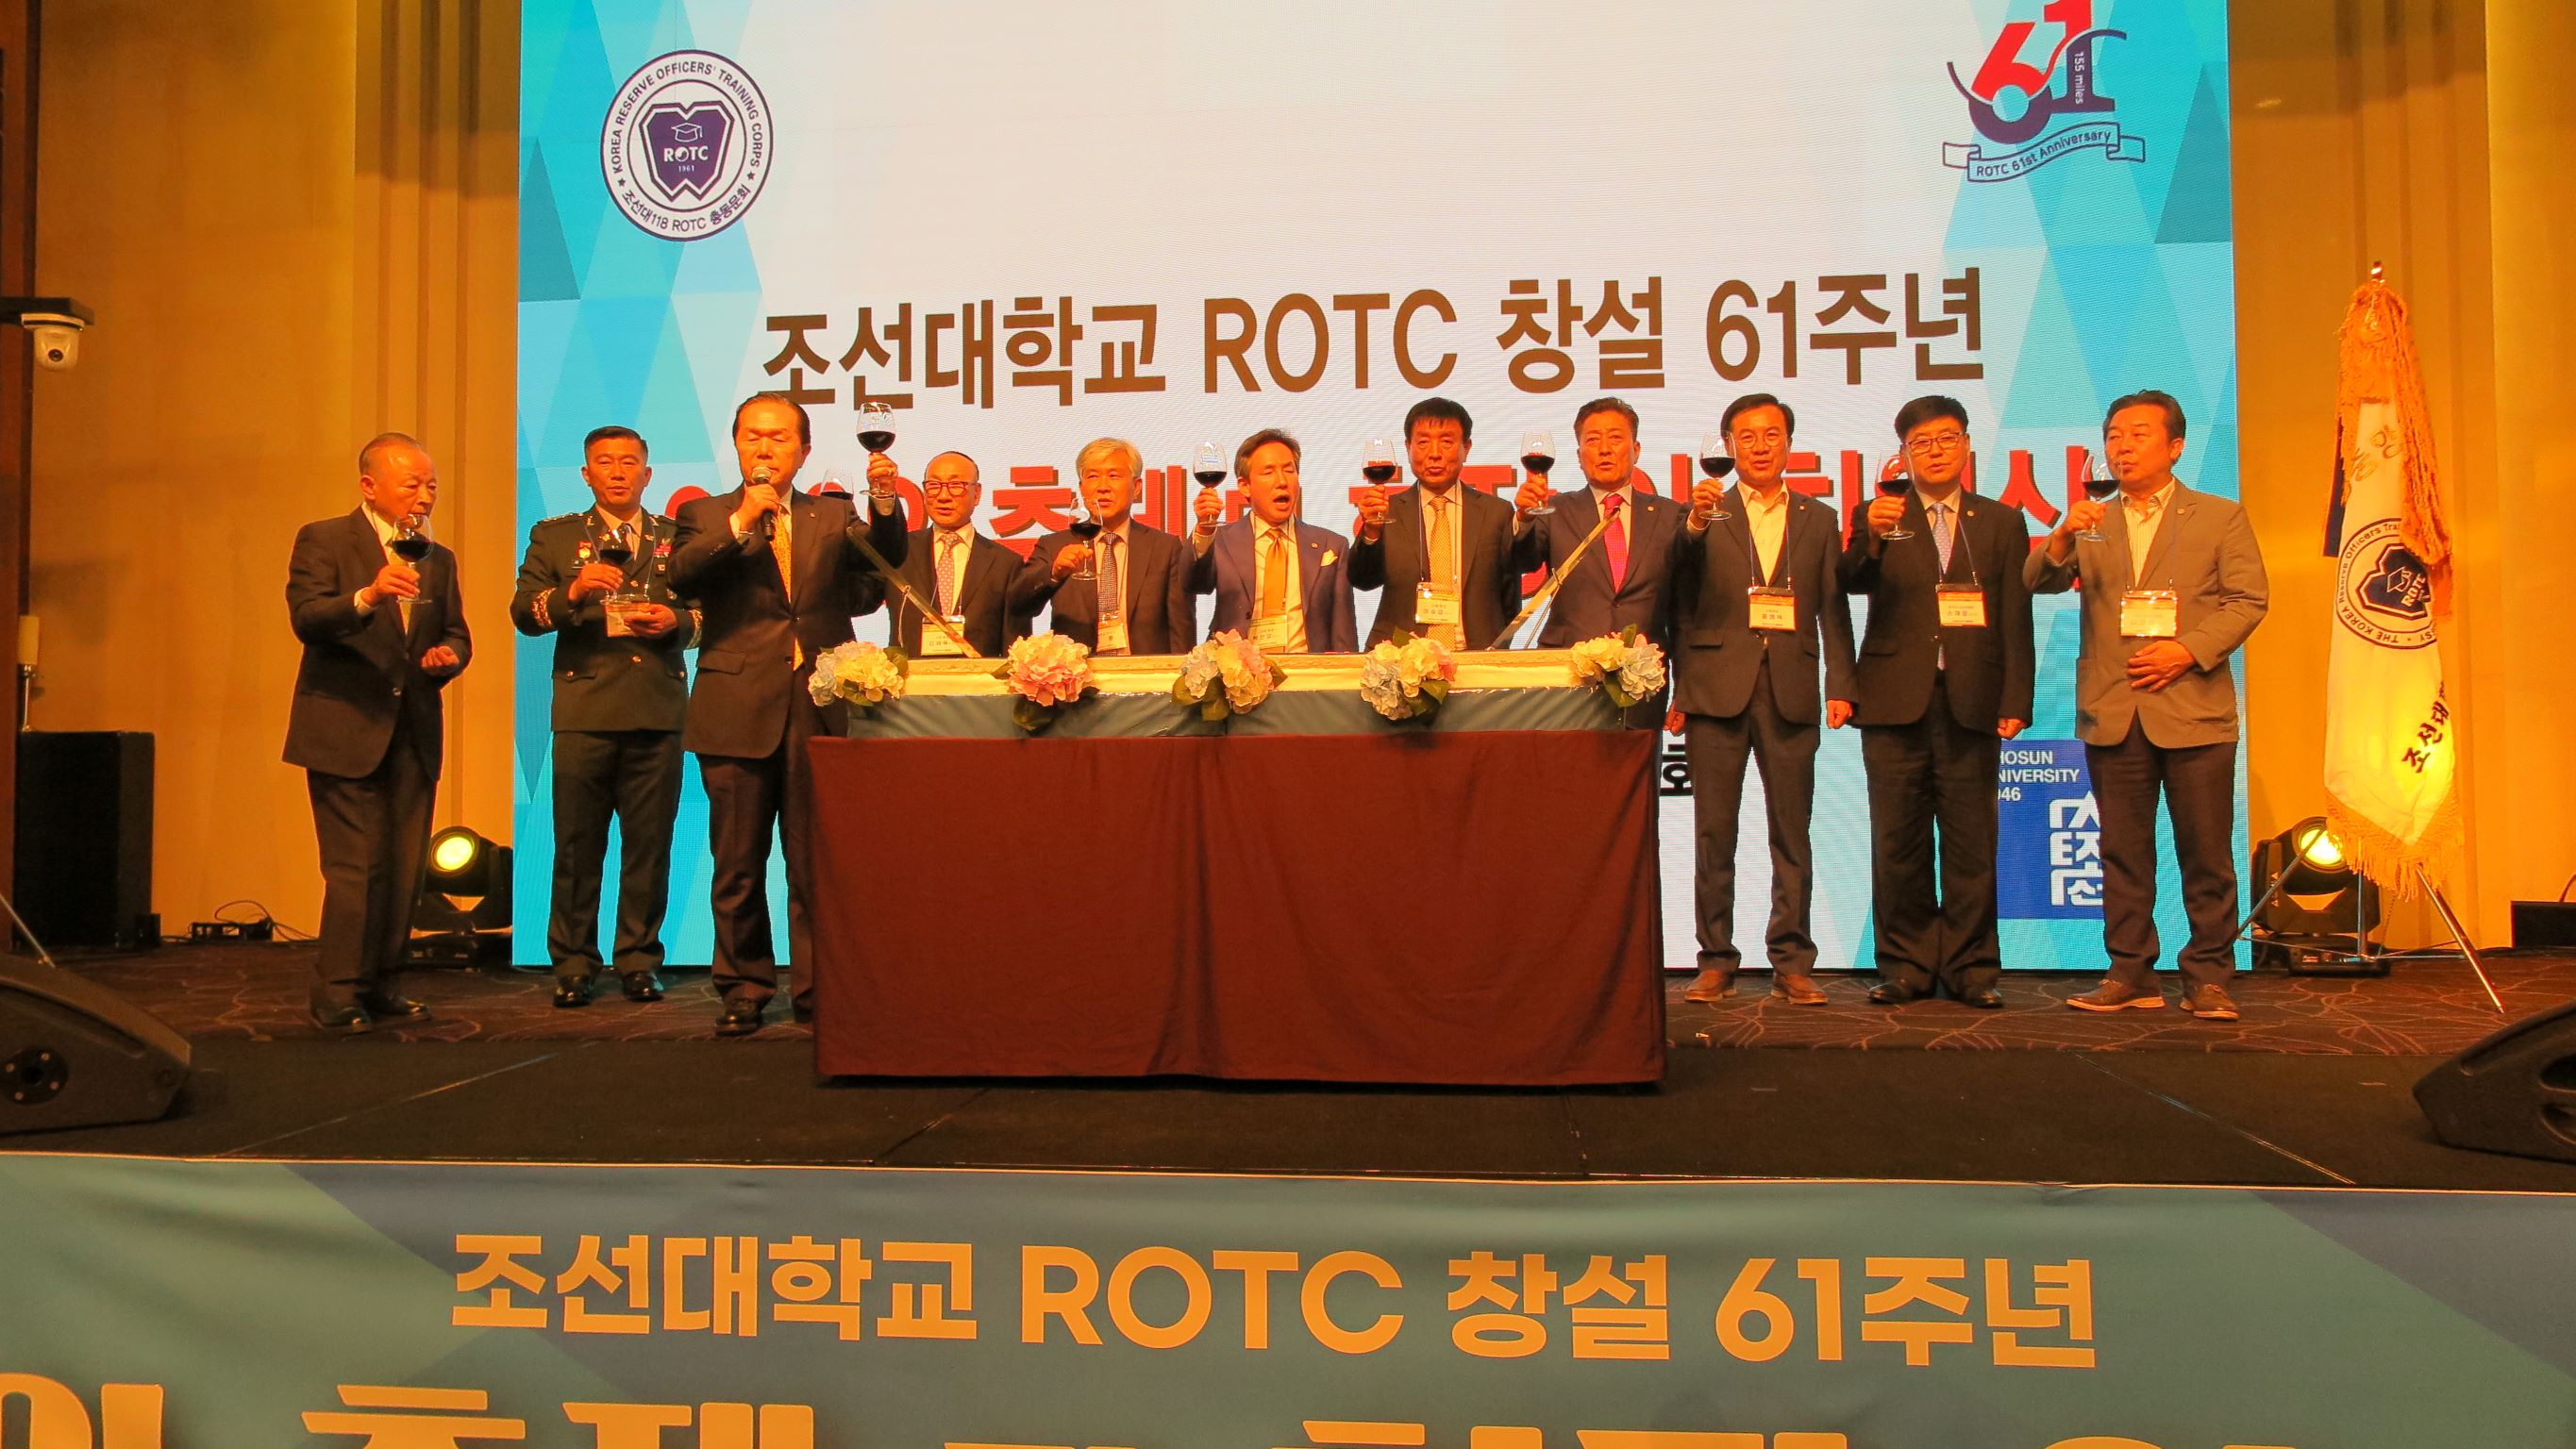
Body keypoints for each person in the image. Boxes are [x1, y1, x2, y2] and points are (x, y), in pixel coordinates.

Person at [2025, 389, 2268, 1021]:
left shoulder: (2219, 516)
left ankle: (2208, 976)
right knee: (2122, 853)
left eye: (2138, 434)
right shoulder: (2092, 520)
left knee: (2205, 853)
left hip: (2193, 708)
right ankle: (2130, 972)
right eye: (2113, 435)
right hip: (2113, 709)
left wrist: (2187, 650)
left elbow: (2248, 600)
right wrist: (2061, 535)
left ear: (2175, 446)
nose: (2122, 447)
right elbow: (2036, 581)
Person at [670, 391, 909, 1036]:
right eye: (753, 435)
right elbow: (681, 576)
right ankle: (743, 987)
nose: (765, 447)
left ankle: (817, 988)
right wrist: (744, 518)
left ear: (803, 451)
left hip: (816, 706)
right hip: (735, 708)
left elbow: (881, 567)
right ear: (736, 444)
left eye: (779, 438)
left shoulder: (831, 514)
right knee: (737, 864)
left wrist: (885, 504)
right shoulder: (703, 513)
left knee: (813, 863)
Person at [1840, 396, 2034, 1008]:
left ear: (1967, 446)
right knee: (1897, 842)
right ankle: (1905, 966)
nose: (1934, 451)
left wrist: (2017, 696)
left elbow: (2015, 615)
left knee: (1972, 843)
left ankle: (1974, 969)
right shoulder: (1880, 514)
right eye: (1920, 442)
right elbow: (1849, 581)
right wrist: (1871, 540)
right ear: (1903, 455)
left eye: (1946, 438)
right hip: (1894, 701)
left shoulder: (2000, 521)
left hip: (1973, 698)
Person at [1666, 393, 1855, 1005]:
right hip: (1715, 690)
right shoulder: (1704, 512)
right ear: (1728, 446)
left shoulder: (1818, 518)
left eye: (1771, 434)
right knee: (1713, 833)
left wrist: (1841, 685)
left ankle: (1793, 960)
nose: (1760, 446)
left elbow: (1834, 610)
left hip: (1791, 689)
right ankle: (1715, 959)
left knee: (1791, 833)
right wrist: (1680, 688)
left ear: (1789, 443)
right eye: (1746, 436)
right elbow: (1678, 594)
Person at [283, 432, 471, 1034]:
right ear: (370, 486)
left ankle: (384, 983)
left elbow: (457, 632)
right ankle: (337, 991)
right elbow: (308, 617)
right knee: (354, 868)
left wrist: (448, 656)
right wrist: (367, 595)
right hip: (345, 726)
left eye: (431, 485)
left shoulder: (437, 556)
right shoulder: (325, 539)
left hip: (413, 730)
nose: (425, 495)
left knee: (403, 867)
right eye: (412, 484)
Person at [510, 425, 696, 1009]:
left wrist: (676, 622)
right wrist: (573, 591)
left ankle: (639, 960)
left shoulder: (677, 537)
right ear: (587, 474)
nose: (618, 472)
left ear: (648, 473)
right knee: (576, 846)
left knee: (650, 846)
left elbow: (707, 613)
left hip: (657, 709)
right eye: (605, 462)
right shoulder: (556, 536)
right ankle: (573, 963)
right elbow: (525, 613)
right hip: (585, 709)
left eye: (629, 462)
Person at [1513, 396, 1685, 724]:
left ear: (1636, 449)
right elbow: (1522, 561)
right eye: (1592, 440)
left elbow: (1684, 612)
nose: (1604, 449)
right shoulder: (1556, 511)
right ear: (1579, 456)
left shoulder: (1669, 515)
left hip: (1642, 682)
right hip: (1567, 679)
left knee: (1636, 759)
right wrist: (1523, 518)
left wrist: (1686, 687)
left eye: (1615, 438)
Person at [1347, 397, 1522, 649]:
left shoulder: (1496, 512)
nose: (1435, 454)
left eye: (1447, 442)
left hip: (1475, 657)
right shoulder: (1387, 511)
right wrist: (1372, 532)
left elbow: (1510, 597)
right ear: (1408, 448)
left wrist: (1493, 644)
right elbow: (1363, 580)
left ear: (1466, 448)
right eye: (1423, 442)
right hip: (1402, 657)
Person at [1011, 438, 1195, 656]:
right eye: (1093, 477)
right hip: (1076, 673)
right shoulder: (1053, 546)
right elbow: (1018, 605)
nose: (1103, 487)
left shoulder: (1165, 548)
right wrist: (1053, 573)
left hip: (1142, 672)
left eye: (1114, 476)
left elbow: (1181, 628)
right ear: (1082, 488)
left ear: (1136, 487)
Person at [1185, 427, 1358, 653]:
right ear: (1245, 486)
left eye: (1289, 470)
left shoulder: (1332, 545)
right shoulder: (1220, 541)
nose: (1282, 481)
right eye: (1268, 472)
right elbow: (1193, 583)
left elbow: (1343, 634)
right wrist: (1204, 530)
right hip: (1237, 668)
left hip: (1307, 668)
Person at [852, 450, 1030, 659]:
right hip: (909, 678)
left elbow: (1016, 650)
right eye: (934, 486)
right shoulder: (899, 551)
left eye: (956, 486)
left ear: (977, 493)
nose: (943, 496)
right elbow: (859, 601)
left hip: (978, 679)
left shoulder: (1005, 563)